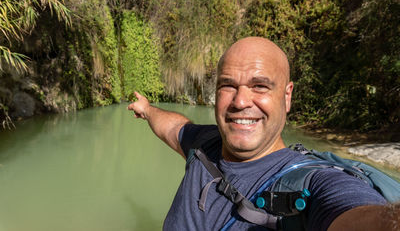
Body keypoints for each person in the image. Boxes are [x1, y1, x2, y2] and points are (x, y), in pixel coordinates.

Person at [128, 37, 398, 230]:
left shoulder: (312, 182)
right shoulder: (204, 143)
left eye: (259, 86)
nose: (240, 101)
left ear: (287, 96)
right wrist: (148, 109)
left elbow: (356, 213)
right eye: (228, 85)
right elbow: (175, 128)